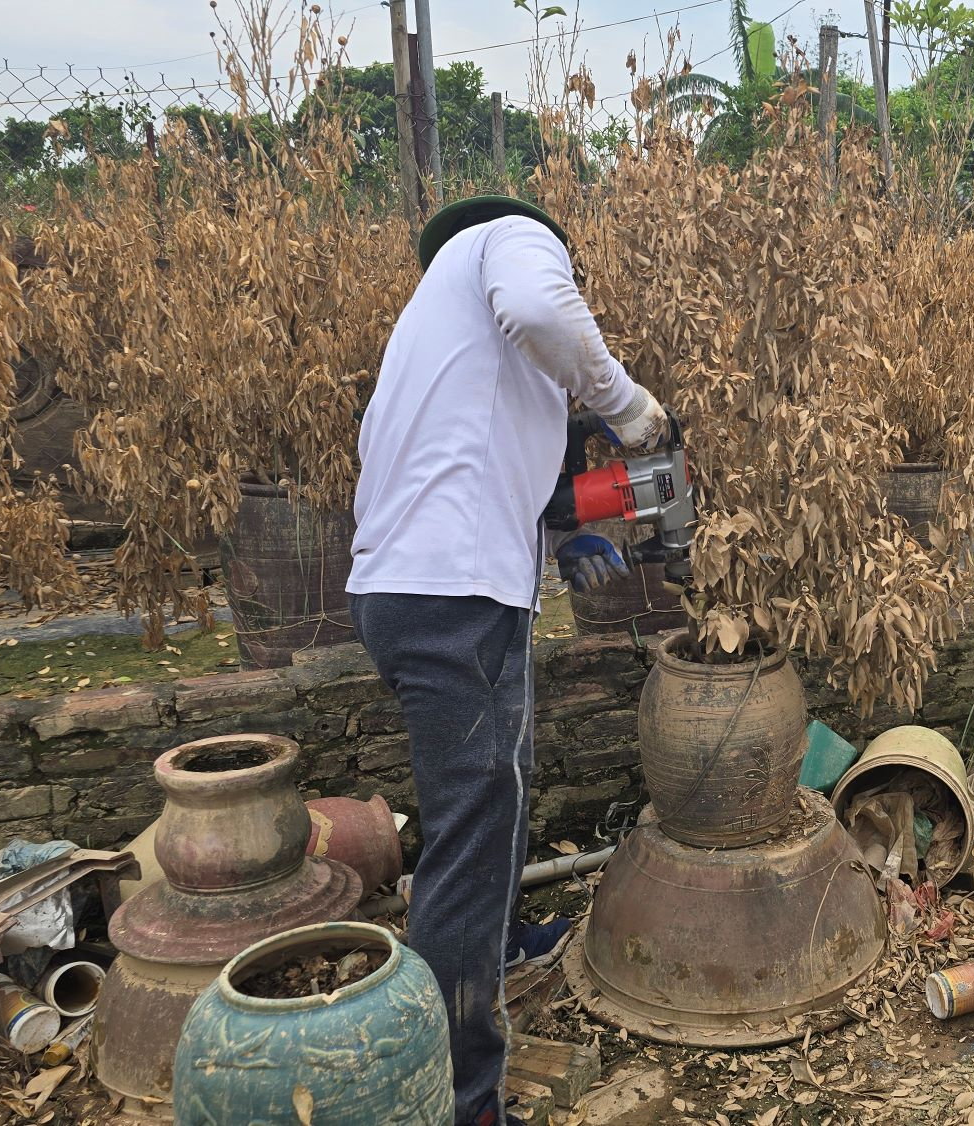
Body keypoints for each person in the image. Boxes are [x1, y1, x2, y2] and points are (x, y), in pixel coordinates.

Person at [346, 195, 665, 1126]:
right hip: (454, 595)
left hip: (408, 590)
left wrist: (557, 529)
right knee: (471, 829)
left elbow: (462, 460)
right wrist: (629, 404)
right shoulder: (510, 243)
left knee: (495, 797)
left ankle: (494, 945)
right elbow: (539, 310)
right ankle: (461, 1100)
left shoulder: (426, 344)